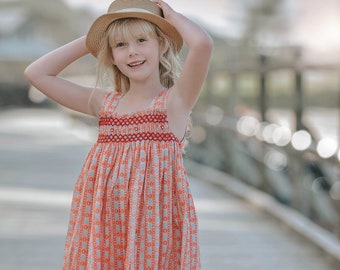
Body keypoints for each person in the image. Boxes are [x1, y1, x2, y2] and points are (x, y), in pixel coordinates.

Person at [24, 0, 213, 268]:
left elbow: (203, 45)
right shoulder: (104, 105)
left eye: (141, 40)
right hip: (103, 228)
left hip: (153, 232)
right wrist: (94, 38)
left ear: (162, 45)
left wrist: (171, 16)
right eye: (120, 45)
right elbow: (37, 73)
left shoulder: (175, 103)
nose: (132, 52)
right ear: (111, 56)